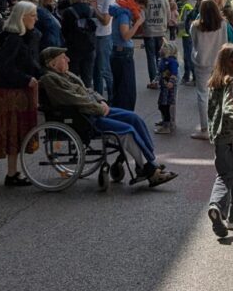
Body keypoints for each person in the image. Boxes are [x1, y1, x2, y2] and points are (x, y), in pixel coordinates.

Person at [37, 46, 178, 187]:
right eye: (63, 57)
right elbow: (73, 99)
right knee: (127, 131)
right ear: (52, 64)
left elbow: (87, 90)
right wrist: (98, 108)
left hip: (93, 109)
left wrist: (101, 100)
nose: (68, 59)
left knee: (134, 118)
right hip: (85, 118)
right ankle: (149, 171)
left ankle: (150, 161)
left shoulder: (66, 75)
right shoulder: (50, 80)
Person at [0, 1, 40, 187]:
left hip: (10, 91)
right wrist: (26, 79)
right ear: (22, 17)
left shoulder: (17, 37)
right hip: (12, 92)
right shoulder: (14, 40)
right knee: (12, 132)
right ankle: (10, 172)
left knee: (7, 131)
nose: (36, 19)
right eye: (33, 15)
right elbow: (6, 67)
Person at [207, 43, 233, 237]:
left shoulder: (214, 80)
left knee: (224, 175)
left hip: (219, 136)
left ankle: (216, 205)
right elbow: (228, 105)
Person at [191, 0, 229, 142]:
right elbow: (225, 42)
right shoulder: (223, 24)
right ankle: (219, 126)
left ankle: (205, 128)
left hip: (202, 62)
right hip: (218, 62)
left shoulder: (196, 26)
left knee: (203, 95)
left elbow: (194, 43)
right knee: (219, 94)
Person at [59, 0, 97, 91]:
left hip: (73, 48)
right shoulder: (91, 10)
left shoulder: (68, 11)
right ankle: (88, 96)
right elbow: (94, 28)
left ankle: (75, 97)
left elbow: (64, 31)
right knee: (87, 78)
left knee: (72, 77)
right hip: (89, 47)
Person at [110, 0, 142, 112]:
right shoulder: (124, 14)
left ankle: (120, 111)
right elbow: (126, 36)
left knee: (120, 87)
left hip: (119, 51)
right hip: (123, 53)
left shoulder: (121, 12)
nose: (140, 11)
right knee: (126, 88)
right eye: (140, 8)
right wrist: (137, 24)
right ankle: (125, 113)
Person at [90, 0, 116, 101]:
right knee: (95, 70)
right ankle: (98, 97)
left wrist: (94, 8)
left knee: (104, 68)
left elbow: (105, 21)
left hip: (103, 36)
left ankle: (112, 96)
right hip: (93, 36)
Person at [140, 0, 170, 89]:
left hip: (149, 32)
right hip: (161, 30)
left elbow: (141, 14)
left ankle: (154, 81)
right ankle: (162, 80)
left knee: (150, 57)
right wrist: (165, 25)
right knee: (161, 57)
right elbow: (168, 13)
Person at [154, 40, 179, 134]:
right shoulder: (163, 60)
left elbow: (174, 73)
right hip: (163, 87)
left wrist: (171, 82)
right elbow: (159, 72)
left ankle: (167, 125)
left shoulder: (172, 62)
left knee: (166, 106)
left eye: (164, 47)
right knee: (161, 105)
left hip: (169, 89)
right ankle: (165, 120)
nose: (161, 49)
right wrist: (155, 80)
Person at [177, 0, 197, 85]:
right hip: (188, 33)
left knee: (188, 55)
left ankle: (189, 76)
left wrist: (178, 25)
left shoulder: (187, 6)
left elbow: (187, 20)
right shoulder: (191, 4)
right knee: (189, 55)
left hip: (187, 34)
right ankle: (190, 76)